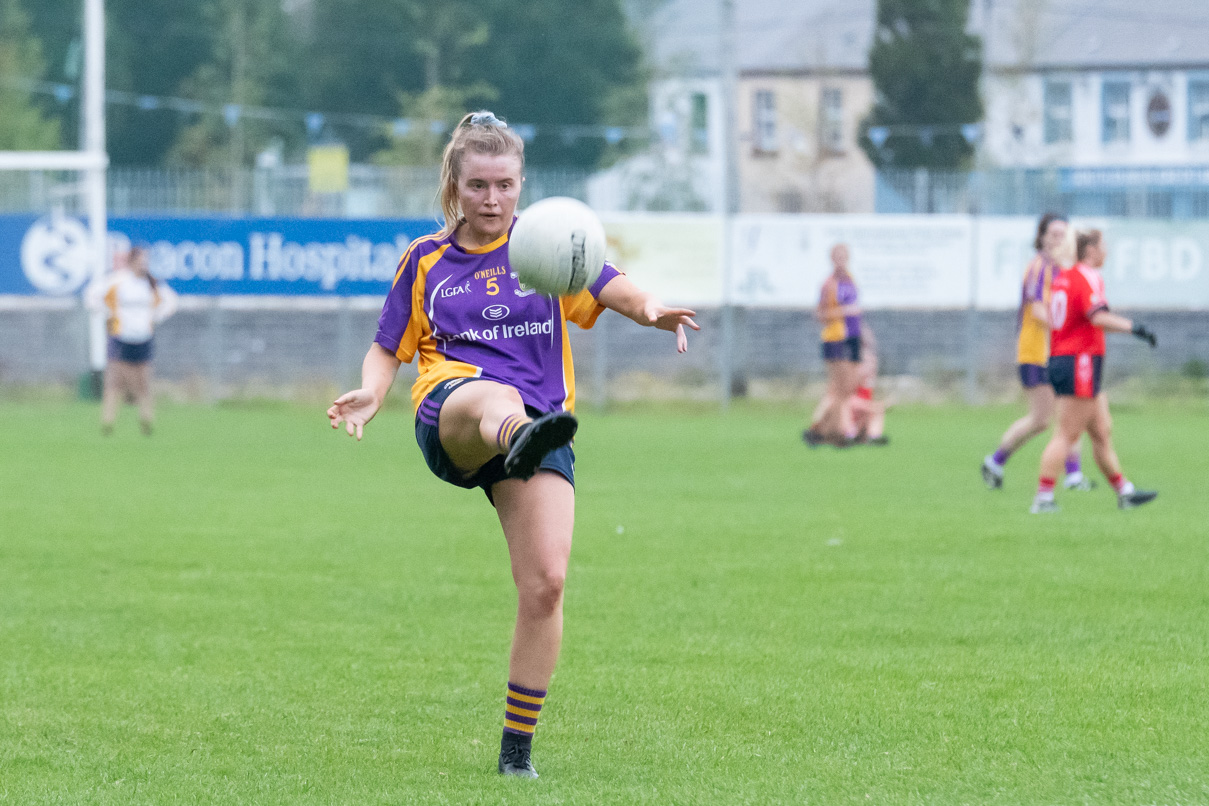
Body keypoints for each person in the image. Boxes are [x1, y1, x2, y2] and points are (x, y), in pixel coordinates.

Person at [326, 111, 699, 778]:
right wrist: (370, 392)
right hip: (455, 413)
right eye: (477, 186)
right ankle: (517, 433)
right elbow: (389, 347)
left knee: (547, 585)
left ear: (521, 184)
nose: (491, 200)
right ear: (453, 186)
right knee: (494, 397)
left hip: (543, 418)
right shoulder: (426, 260)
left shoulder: (548, 245)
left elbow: (615, 289)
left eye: (503, 185)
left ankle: (515, 756)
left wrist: (652, 311)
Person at [1030, 229, 1158, 514]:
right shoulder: (1086, 276)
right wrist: (1135, 328)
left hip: (1067, 358)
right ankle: (1043, 498)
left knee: (1101, 430)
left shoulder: (1064, 278)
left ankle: (1124, 492)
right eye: (1103, 246)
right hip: (1080, 362)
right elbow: (1096, 315)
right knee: (1066, 434)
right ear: (1090, 250)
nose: (1107, 252)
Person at [982, 213, 1092, 490]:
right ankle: (995, 461)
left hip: (1058, 352)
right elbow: (1039, 310)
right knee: (1041, 420)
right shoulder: (1039, 268)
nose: (1058, 240)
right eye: (1053, 234)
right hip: (1036, 353)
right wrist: (1067, 323)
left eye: (1063, 234)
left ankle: (1074, 475)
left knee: (1070, 412)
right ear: (1041, 237)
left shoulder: (1064, 271)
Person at [85, 245, 178, 436]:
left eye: (146, 260)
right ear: (131, 261)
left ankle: (146, 421)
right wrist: (108, 315)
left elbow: (171, 302)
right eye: (140, 260)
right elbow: (92, 297)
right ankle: (108, 423)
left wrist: (153, 318)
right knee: (115, 382)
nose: (144, 264)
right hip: (121, 337)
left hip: (143, 338)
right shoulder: (118, 281)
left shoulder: (152, 284)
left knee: (143, 383)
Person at [803, 244, 861, 447]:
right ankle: (833, 432)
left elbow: (857, 311)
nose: (841, 260)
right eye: (837, 256)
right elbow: (820, 314)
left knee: (849, 388)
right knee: (838, 388)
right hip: (835, 338)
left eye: (844, 256)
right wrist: (843, 312)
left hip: (853, 336)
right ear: (831, 259)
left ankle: (824, 430)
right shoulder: (829, 284)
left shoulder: (851, 280)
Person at [840, 326, 889, 446]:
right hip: (852, 410)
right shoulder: (850, 366)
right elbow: (848, 400)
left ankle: (874, 436)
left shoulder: (868, 381)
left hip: (863, 411)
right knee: (853, 408)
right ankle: (849, 434)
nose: (871, 368)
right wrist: (873, 406)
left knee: (876, 410)